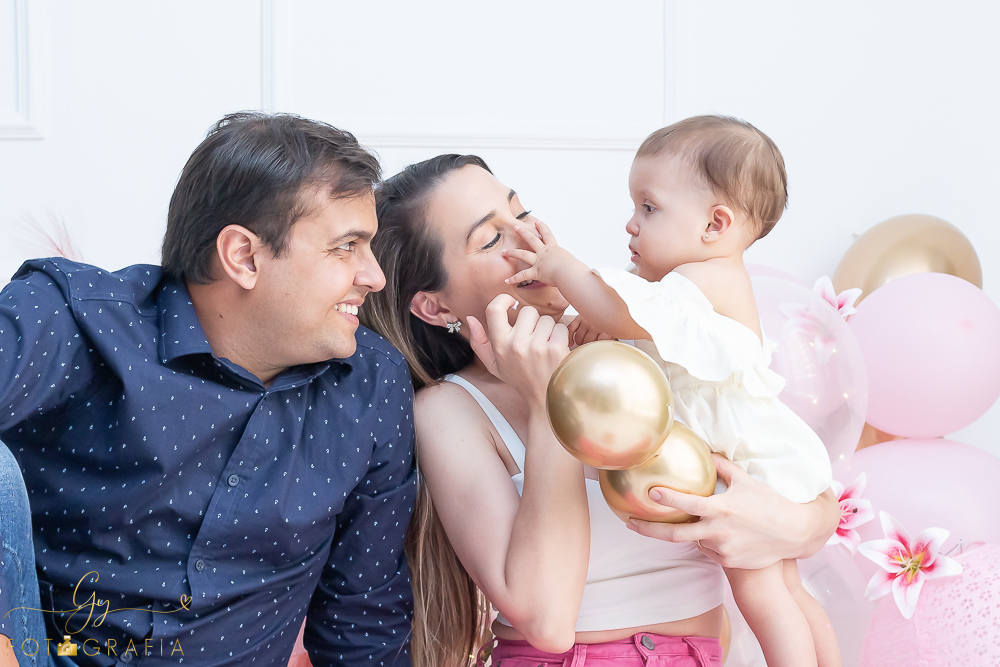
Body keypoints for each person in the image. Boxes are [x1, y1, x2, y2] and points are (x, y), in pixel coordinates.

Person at [359, 153, 841, 667]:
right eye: (491, 239)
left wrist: (795, 525)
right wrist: (549, 402)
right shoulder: (450, 411)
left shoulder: (637, 340)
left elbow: (793, 477)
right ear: (435, 306)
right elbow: (545, 621)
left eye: (520, 214)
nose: (525, 239)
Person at [0, 112, 416, 666]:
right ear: (243, 256)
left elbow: (362, 618)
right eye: (347, 247)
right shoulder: (70, 318)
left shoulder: (371, 384)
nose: (375, 276)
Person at [505, 115, 840, 667]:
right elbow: (637, 334)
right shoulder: (690, 292)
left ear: (715, 224)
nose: (632, 224)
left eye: (649, 207)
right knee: (787, 591)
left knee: (760, 594)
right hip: (764, 456)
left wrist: (559, 265)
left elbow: (617, 307)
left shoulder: (706, 279)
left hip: (750, 464)